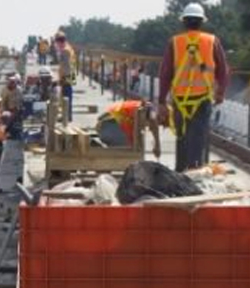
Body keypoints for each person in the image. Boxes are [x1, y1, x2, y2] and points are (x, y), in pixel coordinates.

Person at [157, 2, 229, 171]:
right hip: (202, 100)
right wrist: (220, 93)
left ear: (184, 21)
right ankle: (195, 175)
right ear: (201, 21)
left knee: (182, 139)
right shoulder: (211, 41)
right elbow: (223, 70)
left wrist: (161, 101)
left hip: (180, 101)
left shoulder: (175, 42)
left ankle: (181, 173)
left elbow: (165, 73)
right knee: (198, 140)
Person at [96, 99, 162, 159]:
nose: (147, 126)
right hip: (108, 127)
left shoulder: (145, 110)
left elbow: (153, 126)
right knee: (128, 151)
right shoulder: (140, 110)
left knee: (132, 148)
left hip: (109, 128)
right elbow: (138, 134)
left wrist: (157, 145)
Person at [54, 33, 76, 121]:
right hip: (70, 74)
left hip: (66, 75)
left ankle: (66, 116)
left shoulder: (65, 51)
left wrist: (60, 78)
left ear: (60, 42)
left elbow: (64, 66)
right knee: (67, 96)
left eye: (57, 43)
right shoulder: (69, 48)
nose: (57, 45)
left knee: (66, 97)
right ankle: (66, 115)